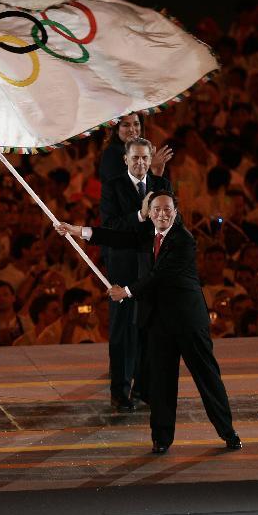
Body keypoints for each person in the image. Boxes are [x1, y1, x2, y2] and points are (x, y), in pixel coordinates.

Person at [55, 190, 241, 453]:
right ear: (149, 212)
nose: (162, 214)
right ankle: (161, 439)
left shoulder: (183, 240)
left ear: (175, 212)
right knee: (161, 382)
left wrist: (126, 292)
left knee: (206, 376)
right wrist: (77, 230)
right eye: (156, 209)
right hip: (157, 321)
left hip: (187, 321)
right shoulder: (146, 234)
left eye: (167, 209)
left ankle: (228, 432)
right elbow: (117, 238)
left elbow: (159, 275)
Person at [100, 137, 173, 411]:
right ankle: (119, 391)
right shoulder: (113, 186)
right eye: (135, 158)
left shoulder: (160, 185)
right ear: (126, 160)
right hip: (122, 267)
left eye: (145, 158)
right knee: (122, 330)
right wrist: (140, 216)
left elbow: (172, 220)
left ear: (151, 157)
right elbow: (109, 225)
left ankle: (144, 387)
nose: (140, 163)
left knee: (148, 328)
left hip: (151, 268)